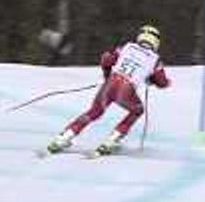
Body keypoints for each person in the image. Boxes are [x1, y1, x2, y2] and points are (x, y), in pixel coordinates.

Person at [45, 24, 170, 155]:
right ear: (156, 41)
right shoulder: (155, 60)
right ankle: (114, 139)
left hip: (111, 83)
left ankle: (65, 136)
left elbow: (106, 59)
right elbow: (163, 82)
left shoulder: (126, 47)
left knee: (94, 111)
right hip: (126, 89)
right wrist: (154, 80)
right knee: (138, 110)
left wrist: (107, 75)